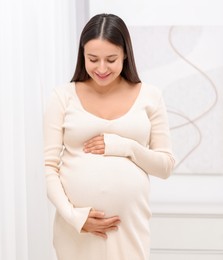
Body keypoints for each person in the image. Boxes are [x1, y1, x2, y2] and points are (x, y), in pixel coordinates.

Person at [43, 13, 175, 260]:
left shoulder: (150, 96)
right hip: (76, 229)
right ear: (82, 55)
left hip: (128, 225)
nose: (101, 68)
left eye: (111, 59)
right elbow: (49, 168)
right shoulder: (62, 97)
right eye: (93, 59)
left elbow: (165, 166)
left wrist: (125, 146)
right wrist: (75, 217)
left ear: (125, 54)